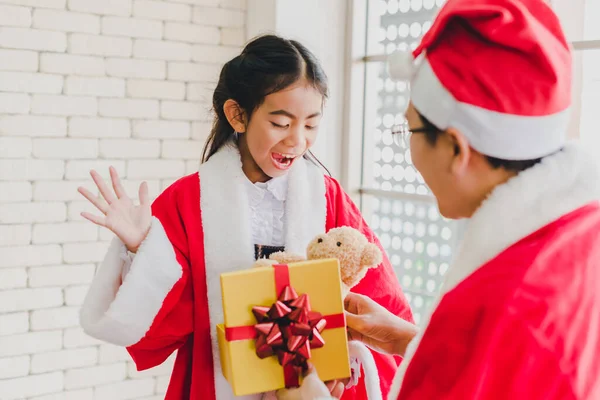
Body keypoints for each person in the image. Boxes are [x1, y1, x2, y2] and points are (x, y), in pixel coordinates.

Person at [281, 0, 600, 398]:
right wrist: (413, 343)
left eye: (409, 129)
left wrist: (304, 392)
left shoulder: (493, 300)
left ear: (456, 149)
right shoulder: (580, 237)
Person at [77, 35, 414, 400]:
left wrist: (342, 355)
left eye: (311, 125)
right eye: (281, 123)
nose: (296, 141)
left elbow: (375, 296)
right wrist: (142, 249)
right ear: (238, 114)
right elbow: (164, 321)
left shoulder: (327, 196)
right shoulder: (189, 200)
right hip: (219, 380)